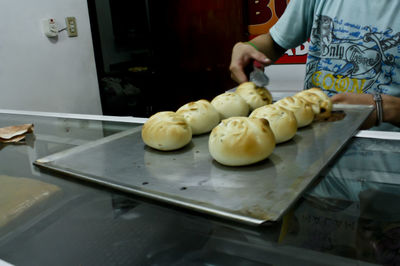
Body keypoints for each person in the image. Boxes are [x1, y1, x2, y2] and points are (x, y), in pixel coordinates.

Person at [229, 0, 400, 131]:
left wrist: (383, 107)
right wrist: (250, 49)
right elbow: (275, 43)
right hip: (315, 147)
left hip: (385, 155)